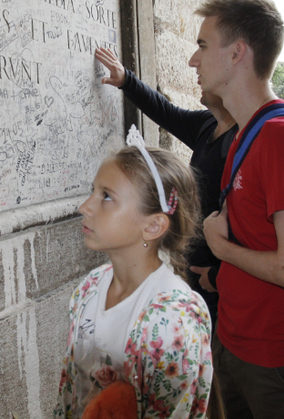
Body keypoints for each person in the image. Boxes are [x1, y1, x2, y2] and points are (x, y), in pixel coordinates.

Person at [193, 0, 284, 419]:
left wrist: (221, 249)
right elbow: (259, 237)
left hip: (279, 361)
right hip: (236, 344)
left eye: (203, 46)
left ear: (237, 53)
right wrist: (222, 276)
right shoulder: (248, 133)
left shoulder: (280, 137)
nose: (193, 60)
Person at [53, 127, 214, 418]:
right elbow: (71, 390)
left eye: (106, 196)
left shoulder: (171, 320)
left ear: (153, 225)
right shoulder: (91, 287)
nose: (84, 207)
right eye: (93, 191)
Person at [94, 47, 238, 324]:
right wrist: (126, 80)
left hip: (219, 278)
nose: (199, 78)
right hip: (195, 268)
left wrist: (218, 275)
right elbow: (166, 112)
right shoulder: (207, 125)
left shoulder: (242, 137)